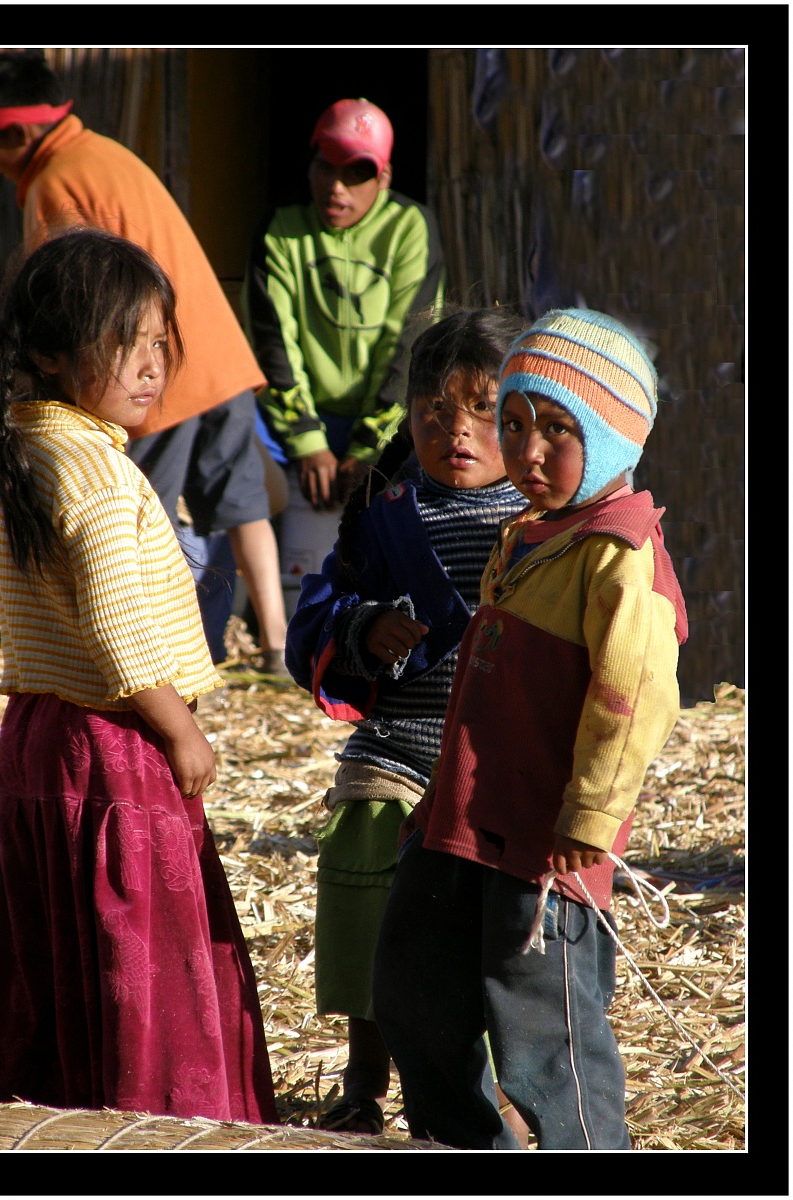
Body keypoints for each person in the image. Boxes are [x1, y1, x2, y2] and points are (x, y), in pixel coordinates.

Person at [0, 226, 278, 1122]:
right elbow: (115, 629)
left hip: (39, 736)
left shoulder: (19, 453)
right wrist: (181, 728)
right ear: (50, 353)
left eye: (157, 342)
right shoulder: (98, 475)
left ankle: (53, 1118)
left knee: (57, 945)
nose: (152, 365)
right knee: (139, 953)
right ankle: (153, 1127)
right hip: (114, 743)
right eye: (126, 343)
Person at [372, 307, 689, 1150]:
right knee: (414, 993)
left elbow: (634, 700)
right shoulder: (530, 535)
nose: (526, 451)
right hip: (459, 823)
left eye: (558, 430)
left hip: (542, 849)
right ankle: (466, 1151)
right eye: (512, 424)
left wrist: (588, 820)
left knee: (545, 1038)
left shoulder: (617, 561)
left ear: (614, 442)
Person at [0, 48, 288, 671]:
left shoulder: (53, 183)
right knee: (241, 505)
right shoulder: (109, 152)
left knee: (139, 520)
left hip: (152, 373)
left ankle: (157, 652)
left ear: (16, 133)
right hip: (213, 352)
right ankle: (277, 642)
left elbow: (64, 301)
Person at [284, 307, 531, 1138]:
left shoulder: (539, 527)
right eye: (433, 409)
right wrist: (360, 629)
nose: (452, 429)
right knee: (364, 881)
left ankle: (481, 1084)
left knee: (482, 929)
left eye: (479, 410)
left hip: (496, 762)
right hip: (397, 748)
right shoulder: (384, 513)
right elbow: (315, 619)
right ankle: (363, 1076)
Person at [242, 97, 446, 592]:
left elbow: (410, 347)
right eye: (324, 167)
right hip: (295, 421)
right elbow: (274, 344)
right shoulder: (283, 230)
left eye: (356, 172)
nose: (336, 187)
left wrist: (372, 447)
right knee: (241, 474)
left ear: (384, 176)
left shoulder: (409, 229)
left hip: (383, 422)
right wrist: (309, 443)